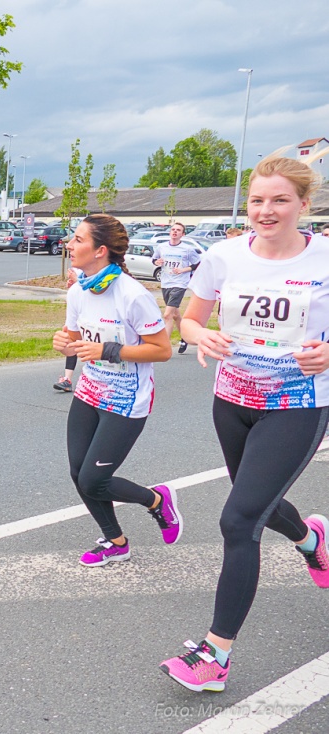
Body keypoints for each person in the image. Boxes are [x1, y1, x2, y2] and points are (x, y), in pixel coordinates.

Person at [159, 156, 329, 692]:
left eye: (280, 199)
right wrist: (198, 333)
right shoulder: (223, 255)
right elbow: (188, 316)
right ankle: (312, 540)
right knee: (255, 503)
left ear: (304, 204)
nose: (266, 210)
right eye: (258, 200)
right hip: (232, 400)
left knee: (238, 520)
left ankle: (214, 656)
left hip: (297, 404)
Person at [52, 214, 179, 567]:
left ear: (100, 250)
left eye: (78, 240)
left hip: (126, 400)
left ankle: (156, 500)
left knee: (94, 479)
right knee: (79, 475)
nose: (70, 245)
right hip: (89, 391)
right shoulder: (79, 289)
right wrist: (63, 342)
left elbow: (163, 350)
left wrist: (110, 350)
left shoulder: (132, 295)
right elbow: (75, 339)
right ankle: (115, 541)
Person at [151, 222, 201, 355]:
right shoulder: (162, 247)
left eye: (178, 230)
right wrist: (157, 262)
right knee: (175, 315)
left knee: (167, 315)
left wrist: (184, 269)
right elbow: (154, 259)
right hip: (166, 283)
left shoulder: (187, 249)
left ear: (183, 234)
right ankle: (185, 338)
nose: (174, 232)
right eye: (173, 229)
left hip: (180, 283)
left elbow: (198, 263)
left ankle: (164, 347)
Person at [54, 268, 81, 392]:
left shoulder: (93, 264)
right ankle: (67, 379)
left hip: (90, 315)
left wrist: (78, 281)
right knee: (70, 342)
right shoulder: (77, 265)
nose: (70, 248)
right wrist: (73, 287)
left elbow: (95, 289)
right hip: (76, 313)